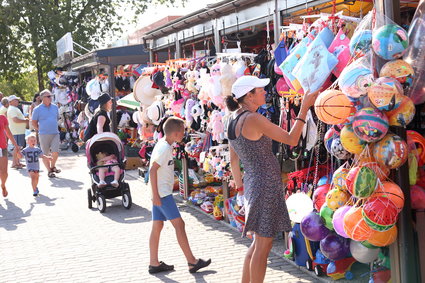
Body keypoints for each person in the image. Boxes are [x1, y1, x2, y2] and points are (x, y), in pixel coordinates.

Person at [225, 76, 319, 283]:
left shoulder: (232, 119)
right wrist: (303, 108)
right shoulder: (253, 118)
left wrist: (241, 189)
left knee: (258, 245)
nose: (265, 92)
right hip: (265, 184)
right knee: (263, 247)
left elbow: (233, 161)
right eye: (260, 90)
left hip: (253, 183)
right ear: (249, 96)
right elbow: (292, 139)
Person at [148, 116, 211, 274]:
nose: (184, 134)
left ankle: (154, 263)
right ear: (175, 134)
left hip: (160, 193)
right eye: (182, 132)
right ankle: (192, 261)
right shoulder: (163, 149)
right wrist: (156, 195)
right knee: (179, 225)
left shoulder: (164, 145)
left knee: (157, 226)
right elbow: (152, 170)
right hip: (162, 194)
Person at [31, 89, 61, 178]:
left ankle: (52, 166)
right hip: (43, 134)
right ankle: (49, 171)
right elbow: (34, 122)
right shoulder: (37, 109)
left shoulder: (55, 107)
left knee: (55, 152)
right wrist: (40, 129)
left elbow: (56, 118)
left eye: (51, 96)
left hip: (55, 133)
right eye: (48, 96)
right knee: (45, 154)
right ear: (41, 98)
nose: (50, 98)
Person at [0, 114, 22, 197]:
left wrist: (16, 146)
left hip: (1, 147)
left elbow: (8, 132)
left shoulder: (2, 118)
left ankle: (3, 185)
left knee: (4, 172)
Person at [7, 95, 28, 169]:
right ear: (11, 102)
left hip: (18, 131)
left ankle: (17, 162)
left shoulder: (14, 108)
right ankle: (14, 163)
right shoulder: (12, 109)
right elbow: (15, 120)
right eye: (15, 100)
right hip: (16, 131)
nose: (17, 101)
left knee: (18, 147)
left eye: (17, 100)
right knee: (17, 147)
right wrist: (25, 120)